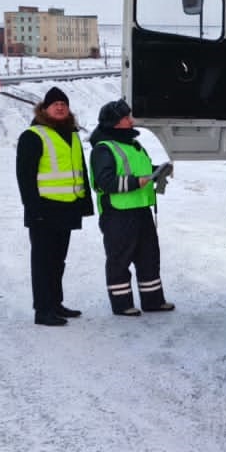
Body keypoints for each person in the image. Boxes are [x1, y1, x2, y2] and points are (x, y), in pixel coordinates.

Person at [88, 98, 175, 315]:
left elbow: (140, 170)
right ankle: (122, 304)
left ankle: (153, 301)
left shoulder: (133, 145)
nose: (131, 120)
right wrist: (138, 182)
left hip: (141, 209)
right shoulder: (103, 149)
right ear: (116, 123)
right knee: (120, 259)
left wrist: (158, 170)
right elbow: (104, 182)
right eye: (126, 117)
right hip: (117, 213)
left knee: (149, 257)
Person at [16, 86, 93, 326]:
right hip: (44, 210)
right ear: (45, 108)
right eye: (55, 104)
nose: (60, 107)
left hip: (67, 208)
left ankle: (55, 303)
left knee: (58, 260)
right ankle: (43, 310)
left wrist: (84, 205)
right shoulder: (33, 135)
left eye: (64, 104)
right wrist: (33, 209)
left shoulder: (71, 134)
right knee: (42, 261)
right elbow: (25, 177)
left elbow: (80, 171)